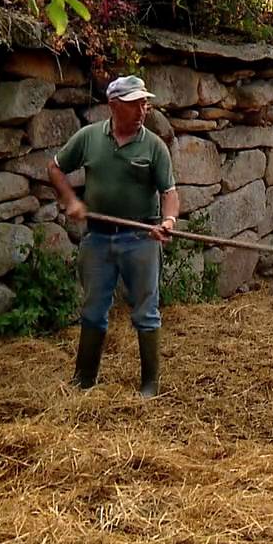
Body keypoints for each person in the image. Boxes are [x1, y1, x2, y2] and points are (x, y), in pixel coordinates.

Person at [47, 74, 180, 397]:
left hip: (141, 239)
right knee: (93, 308)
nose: (143, 110)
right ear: (114, 105)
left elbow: (169, 191)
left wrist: (169, 220)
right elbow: (54, 168)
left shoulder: (154, 146)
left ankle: (150, 385)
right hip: (98, 239)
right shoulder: (90, 138)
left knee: (146, 312)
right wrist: (72, 200)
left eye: (145, 103)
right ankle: (84, 380)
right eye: (135, 104)